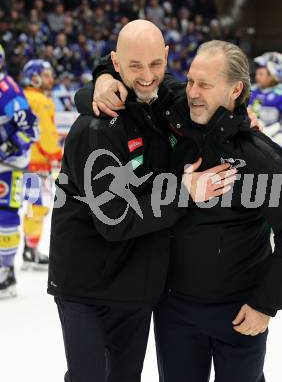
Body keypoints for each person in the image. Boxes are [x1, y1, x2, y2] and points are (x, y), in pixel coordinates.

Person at [86, 34, 282, 381]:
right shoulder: (174, 114)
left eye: (205, 85)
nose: (192, 92)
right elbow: (136, 69)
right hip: (174, 312)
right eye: (191, 81)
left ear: (235, 90)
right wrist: (103, 77)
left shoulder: (262, 156)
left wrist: (265, 305)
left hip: (240, 314)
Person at [48, 20, 234, 382]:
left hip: (137, 286)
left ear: (166, 57)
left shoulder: (164, 103)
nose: (148, 76)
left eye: (156, 64)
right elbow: (115, 219)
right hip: (86, 287)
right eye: (135, 66)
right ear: (116, 63)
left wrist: (240, 116)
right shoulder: (97, 128)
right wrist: (185, 192)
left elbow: (206, 99)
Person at [0, 44, 39, 298]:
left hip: (8, 165)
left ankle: (6, 273)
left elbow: (31, 129)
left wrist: (7, 147)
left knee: (5, 214)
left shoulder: (8, 92)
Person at [22, 59, 62, 270]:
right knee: (37, 206)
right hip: (37, 163)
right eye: (46, 75)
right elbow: (46, 135)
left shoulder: (23, 97)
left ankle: (27, 248)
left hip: (22, 161)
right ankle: (31, 250)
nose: (50, 79)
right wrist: (57, 153)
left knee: (25, 206)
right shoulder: (43, 101)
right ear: (35, 77)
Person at [249, 51, 282, 158]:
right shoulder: (251, 92)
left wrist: (281, 138)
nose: (257, 77)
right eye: (257, 73)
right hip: (254, 150)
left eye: (261, 74)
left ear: (273, 75)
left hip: (278, 152)